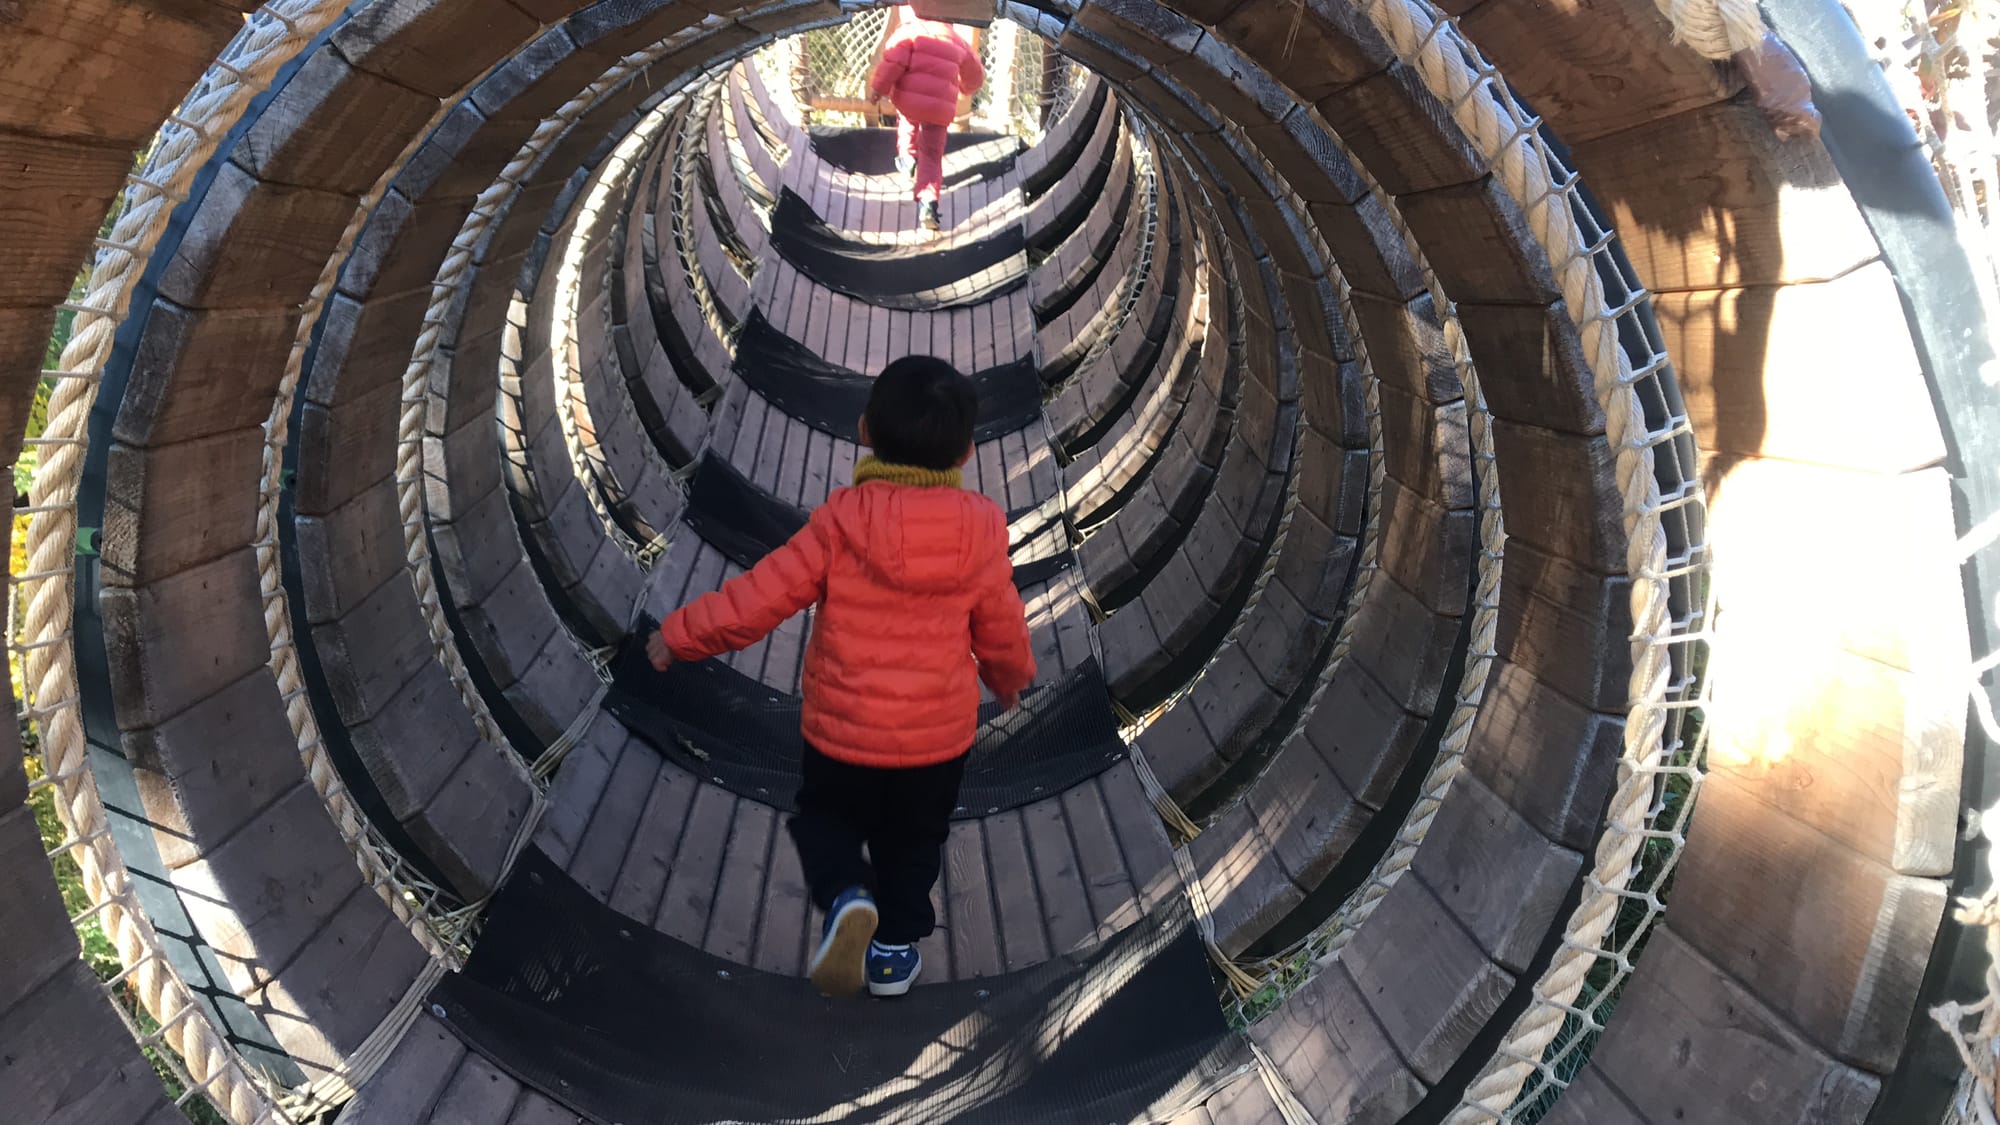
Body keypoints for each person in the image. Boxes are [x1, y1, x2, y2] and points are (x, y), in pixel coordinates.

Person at [647, 356, 1035, 999]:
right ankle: (891, 954)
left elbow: (759, 599)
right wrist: (1009, 678)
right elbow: (1000, 624)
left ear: (862, 432)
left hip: (842, 735)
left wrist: (678, 635)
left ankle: (848, 896)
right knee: (914, 842)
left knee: (825, 822)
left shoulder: (841, 524)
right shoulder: (982, 532)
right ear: (967, 452)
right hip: (935, 743)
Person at [869, 7, 985, 233]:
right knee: (932, 156)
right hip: (940, 110)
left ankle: (907, 158)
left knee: (907, 120)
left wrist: (878, 89)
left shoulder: (909, 32)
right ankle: (928, 204)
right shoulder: (956, 40)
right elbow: (975, 74)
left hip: (909, 102)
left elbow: (892, 63)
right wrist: (965, 87)